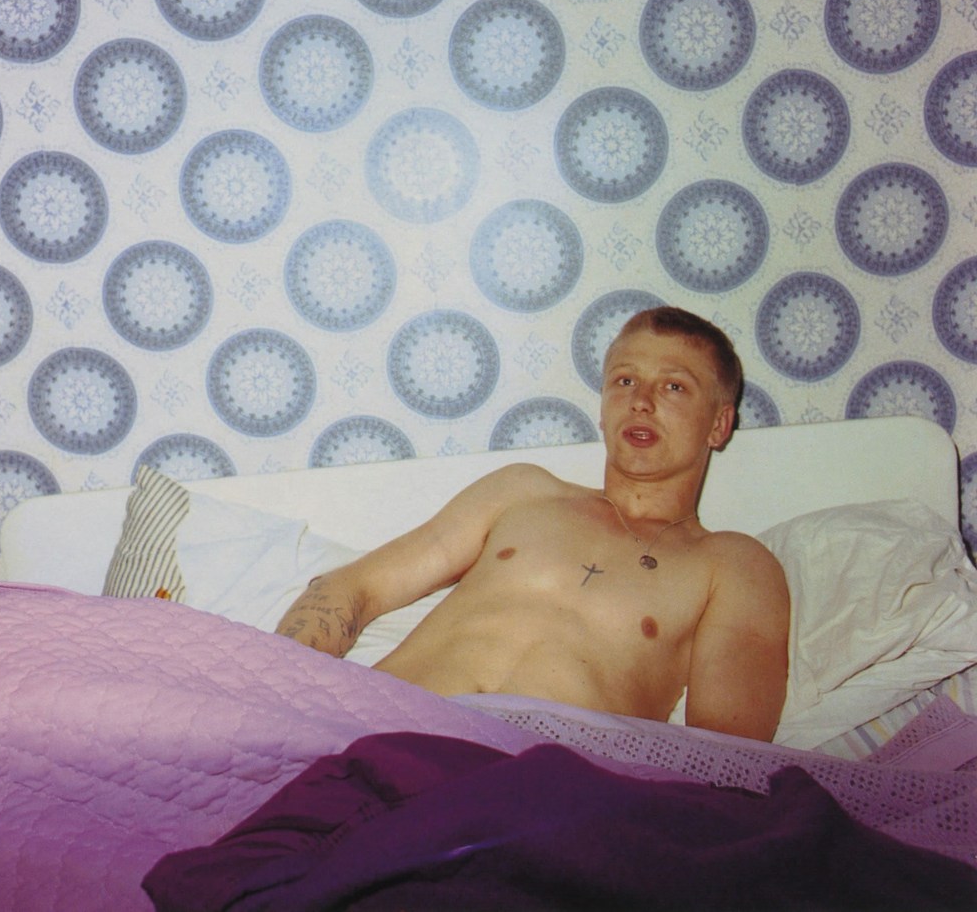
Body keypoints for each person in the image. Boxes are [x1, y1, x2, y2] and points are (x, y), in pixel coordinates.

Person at [276, 307, 790, 742]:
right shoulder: (522, 492)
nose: (641, 400)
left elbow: (728, 753)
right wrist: (282, 696)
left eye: (674, 386)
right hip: (381, 738)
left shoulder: (733, 564)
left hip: (549, 786)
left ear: (719, 424)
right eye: (625, 381)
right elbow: (357, 588)